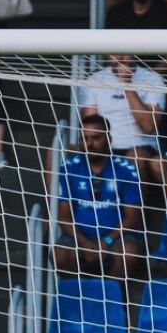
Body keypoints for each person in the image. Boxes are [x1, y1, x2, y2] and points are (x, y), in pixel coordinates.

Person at [55, 114, 145, 283]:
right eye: (85, 138)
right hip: (79, 237)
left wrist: (107, 240)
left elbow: (133, 217)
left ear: (109, 139)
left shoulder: (126, 170)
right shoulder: (68, 168)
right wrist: (84, 243)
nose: (89, 144)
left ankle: (109, 295)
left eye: (96, 138)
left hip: (116, 238)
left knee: (129, 253)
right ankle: (80, 296)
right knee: (59, 254)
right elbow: (64, 217)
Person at [77, 54, 167, 183]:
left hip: (140, 145)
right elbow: (90, 126)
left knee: (135, 157)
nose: (120, 57)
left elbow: (148, 127)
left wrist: (126, 84)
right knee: (55, 152)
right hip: (104, 145)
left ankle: (133, 203)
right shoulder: (93, 80)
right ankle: (53, 202)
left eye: (124, 52)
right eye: (114, 52)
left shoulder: (153, 79)